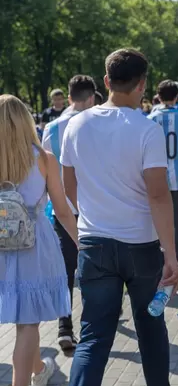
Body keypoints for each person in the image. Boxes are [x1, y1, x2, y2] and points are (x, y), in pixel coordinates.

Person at [63, 48, 178, 386]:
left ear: (106, 81)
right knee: (151, 330)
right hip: (141, 246)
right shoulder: (147, 130)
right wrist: (171, 255)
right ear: (142, 84)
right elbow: (159, 195)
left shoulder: (77, 124)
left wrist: (92, 213)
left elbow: (69, 184)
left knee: (93, 338)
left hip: (94, 243)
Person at [0, 95, 77, 386]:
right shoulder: (44, 159)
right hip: (33, 242)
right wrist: (81, 243)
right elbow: (61, 208)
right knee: (28, 323)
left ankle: (41, 369)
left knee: (24, 320)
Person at [41, 74, 97, 351]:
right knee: (96, 269)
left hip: (61, 209)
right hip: (94, 209)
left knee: (66, 270)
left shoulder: (51, 127)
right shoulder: (97, 123)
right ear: (90, 98)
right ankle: (92, 327)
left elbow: (45, 171)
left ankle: (65, 328)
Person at [147, 80, 178, 287]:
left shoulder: (151, 118)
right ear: (177, 96)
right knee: (177, 227)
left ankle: (157, 269)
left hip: (156, 179)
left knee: (156, 225)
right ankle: (176, 269)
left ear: (158, 96)